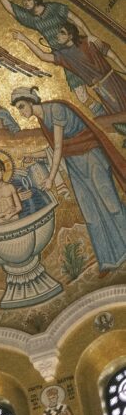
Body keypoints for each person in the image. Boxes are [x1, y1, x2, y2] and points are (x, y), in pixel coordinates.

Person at [10, 86, 126, 274]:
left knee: (109, 201)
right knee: (89, 210)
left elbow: (57, 148)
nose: (21, 112)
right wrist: (37, 159)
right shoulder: (42, 120)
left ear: (31, 101)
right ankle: (108, 260)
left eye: (22, 106)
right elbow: (55, 149)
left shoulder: (55, 109)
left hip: (91, 156)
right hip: (74, 162)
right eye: (19, 109)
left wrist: (50, 178)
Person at [0, 0, 103, 114]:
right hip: (64, 58)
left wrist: (89, 35)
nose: (25, 2)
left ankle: (116, 110)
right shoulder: (33, 20)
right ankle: (105, 116)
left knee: (99, 83)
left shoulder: (53, 8)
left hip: (76, 48)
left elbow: (75, 19)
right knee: (81, 96)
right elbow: (12, 9)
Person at [13, 23, 126, 116]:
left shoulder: (88, 42)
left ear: (70, 36)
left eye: (62, 33)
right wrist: (24, 39)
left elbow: (111, 55)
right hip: (102, 89)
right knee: (119, 114)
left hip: (114, 80)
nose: (58, 36)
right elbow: (43, 56)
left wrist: (123, 68)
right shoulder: (64, 55)